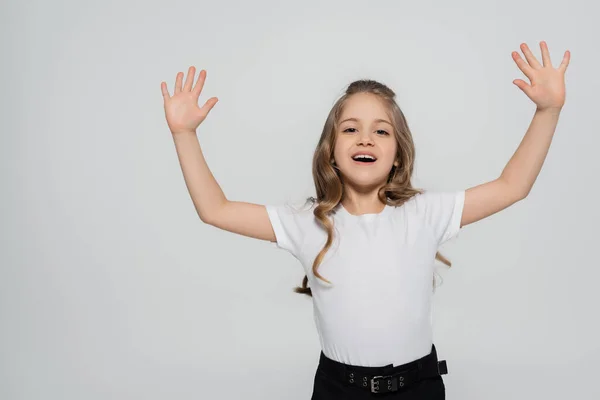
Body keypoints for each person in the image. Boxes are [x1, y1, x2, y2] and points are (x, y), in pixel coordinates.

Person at [160, 41, 570, 399]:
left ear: (398, 153)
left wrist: (547, 111)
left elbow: (513, 185)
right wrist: (184, 135)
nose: (365, 139)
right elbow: (215, 209)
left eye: (381, 132)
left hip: (420, 387)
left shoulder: (425, 213)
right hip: (338, 389)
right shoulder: (307, 222)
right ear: (330, 151)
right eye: (351, 129)